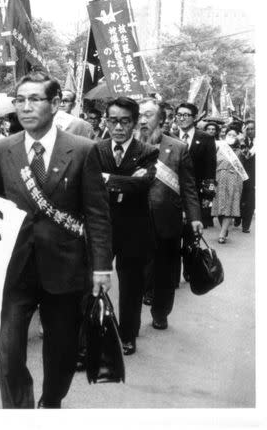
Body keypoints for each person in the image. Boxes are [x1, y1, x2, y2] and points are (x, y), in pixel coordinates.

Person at [0, 70, 112, 409]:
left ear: (55, 104)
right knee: (7, 351)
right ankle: (20, 411)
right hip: (14, 267)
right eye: (20, 100)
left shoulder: (83, 150)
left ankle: (51, 402)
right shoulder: (2, 148)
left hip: (65, 268)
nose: (25, 107)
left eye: (35, 99)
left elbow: (97, 214)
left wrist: (101, 268)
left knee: (62, 352)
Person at [96, 98, 159, 356]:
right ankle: (91, 331)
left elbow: (143, 184)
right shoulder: (96, 149)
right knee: (93, 280)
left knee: (131, 285)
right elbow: (90, 183)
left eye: (124, 121)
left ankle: (128, 335)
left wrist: (108, 179)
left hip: (134, 228)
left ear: (134, 123)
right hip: (101, 224)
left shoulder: (147, 151)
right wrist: (126, 181)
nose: (118, 127)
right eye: (113, 120)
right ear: (106, 121)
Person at [138, 99, 202, 330]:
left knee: (165, 271)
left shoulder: (177, 147)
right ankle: (130, 321)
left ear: (162, 119)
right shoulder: (127, 145)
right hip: (133, 221)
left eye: (148, 115)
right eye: (139, 115)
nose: (142, 120)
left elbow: (188, 186)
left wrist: (195, 217)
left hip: (167, 220)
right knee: (134, 271)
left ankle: (161, 312)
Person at [174, 103, 217, 280]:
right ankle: (172, 275)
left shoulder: (205, 138)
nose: (182, 118)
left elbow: (210, 170)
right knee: (172, 235)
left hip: (195, 195)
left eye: (186, 115)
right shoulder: (169, 136)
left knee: (191, 236)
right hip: (172, 194)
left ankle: (190, 270)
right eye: (179, 114)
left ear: (194, 117)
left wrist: (207, 200)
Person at [211, 128, 246, 243]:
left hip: (234, 178)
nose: (231, 136)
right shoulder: (219, 146)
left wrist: (242, 142)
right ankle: (224, 228)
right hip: (219, 178)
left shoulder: (240, 149)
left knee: (230, 205)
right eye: (229, 134)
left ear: (238, 137)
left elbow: (248, 155)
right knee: (220, 206)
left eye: (234, 135)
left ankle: (222, 232)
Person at [240, 120, 255, 233]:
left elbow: (247, 155)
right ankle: (237, 217)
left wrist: (242, 141)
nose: (250, 131)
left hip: (253, 175)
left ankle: (246, 225)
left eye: (252, 129)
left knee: (249, 200)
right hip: (240, 174)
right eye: (247, 129)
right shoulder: (239, 139)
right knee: (240, 197)